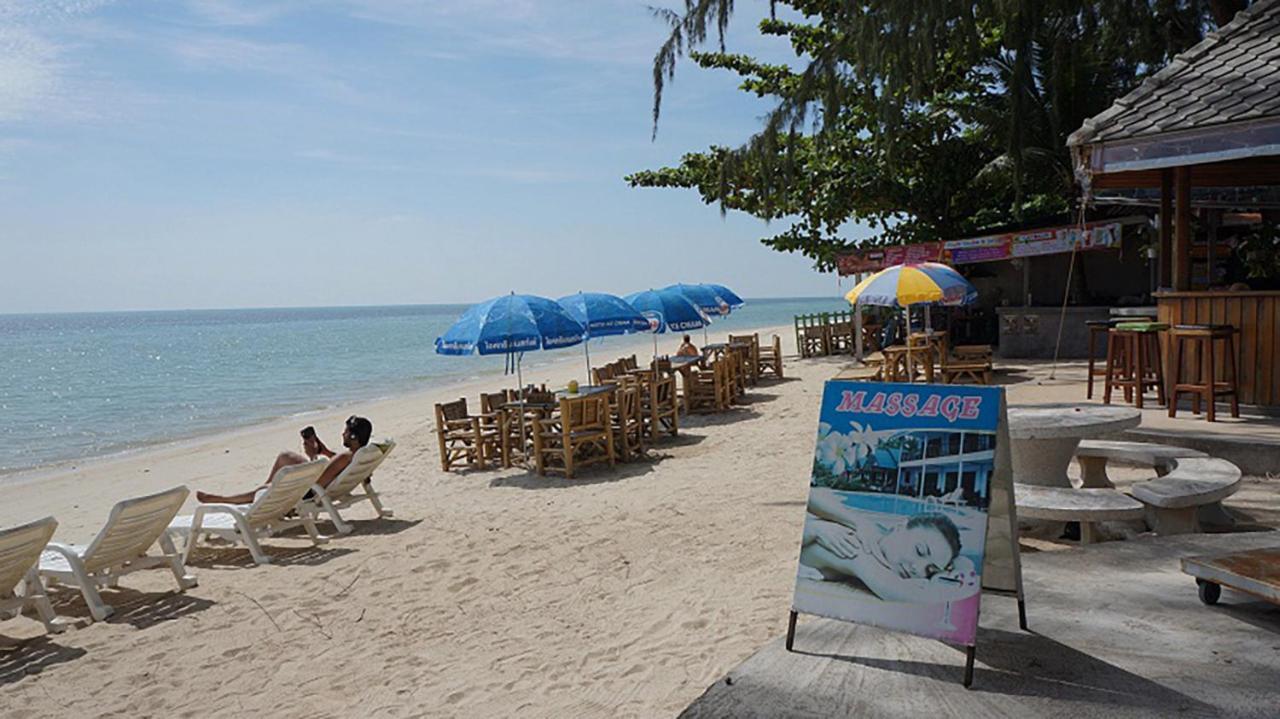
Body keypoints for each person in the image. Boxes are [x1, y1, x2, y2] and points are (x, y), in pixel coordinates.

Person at [798, 488, 969, 602]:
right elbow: (902, 594)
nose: (918, 568)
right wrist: (816, 528)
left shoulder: (879, 536)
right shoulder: (858, 548)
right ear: (901, 526)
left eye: (930, 570)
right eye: (920, 551)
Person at [196, 415, 374, 504]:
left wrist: (312, 455)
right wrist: (325, 452)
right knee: (285, 457)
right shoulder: (359, 455)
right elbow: (335, 467)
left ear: (352, 436)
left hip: (310, 490)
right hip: (322, 486)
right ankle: (263, 487)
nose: (342, 433)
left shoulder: (345, 457)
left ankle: (223, 499)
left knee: (283, 459)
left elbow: (317, 481)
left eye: (345, 431)